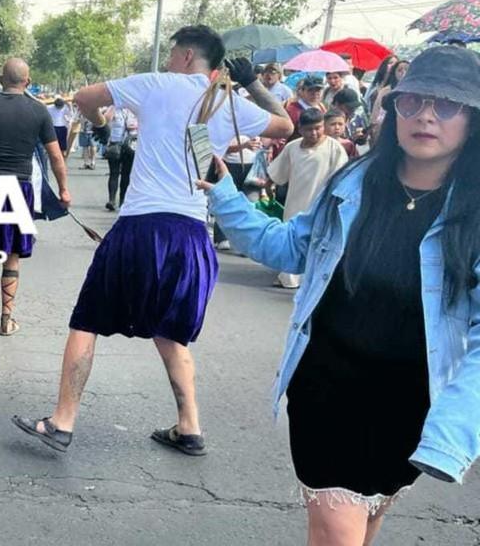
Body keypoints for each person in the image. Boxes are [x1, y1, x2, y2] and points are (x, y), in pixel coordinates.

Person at [200, 46, 480, 544]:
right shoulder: (354, 182)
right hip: (328, 393)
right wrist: (224, 192)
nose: (427, 116)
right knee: (337, 533)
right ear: (393, 110)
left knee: (365, 520)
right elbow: (287, 247)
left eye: (448, 105)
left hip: (412, 407)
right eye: (412, 102)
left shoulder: (474, 214)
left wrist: (452, 432)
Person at [13, 26, 294, 456]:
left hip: (142, 225)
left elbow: (86, 99)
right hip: (192, 234)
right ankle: (190, 427)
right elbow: (286, 124)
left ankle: (62, 421)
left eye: (171, 55)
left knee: (86, 321)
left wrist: (100, 121)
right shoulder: (227, 100)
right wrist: (253, 83)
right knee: (171, 333)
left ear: (184, 56)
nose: (167, 62)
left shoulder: (155, 84)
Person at [0, 58, 70, 337]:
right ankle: (6, 319)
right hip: (19, 186)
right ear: (27, 81)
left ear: (1, 80)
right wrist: (64, 189)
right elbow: (55, 155)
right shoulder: (38, 111)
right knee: (12, 255)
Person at [267, 108, 349, 289]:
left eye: (318, 128)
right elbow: (278, 174)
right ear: (301, 129)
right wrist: (268, 187)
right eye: (309, 129)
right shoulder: (292, 147)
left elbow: (341, 178)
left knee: (317, 242)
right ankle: (287, 277)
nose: (314, 133)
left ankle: (313, 280)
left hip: (322, 204)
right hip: (295, 202)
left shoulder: (334, 148)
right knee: (293, 239)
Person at [103, 105, 138, 211]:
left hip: (130, 145)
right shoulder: (115, 109)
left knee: (126, 175)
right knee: (114, 173)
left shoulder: (136, 109)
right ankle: (112, 200)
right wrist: (112, 108)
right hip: (115, 144)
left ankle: (123, 201)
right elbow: (105, 119)